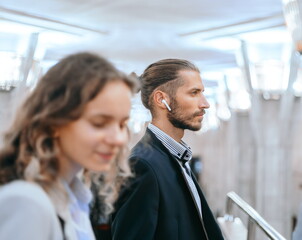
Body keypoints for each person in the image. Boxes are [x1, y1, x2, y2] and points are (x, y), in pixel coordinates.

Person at [0, 52, 136, 240]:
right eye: (99, 123)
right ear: (54, 122)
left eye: (122, 124)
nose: (119, 139)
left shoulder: (74, 198)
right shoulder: (27, 202)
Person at [111, 59, 224, 240]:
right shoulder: (142, 165)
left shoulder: (176, 156)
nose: (205, 104)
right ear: (161, 99)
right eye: (194, 93)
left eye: (202, 93)